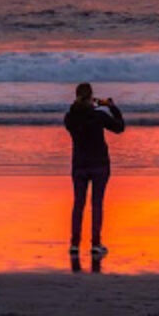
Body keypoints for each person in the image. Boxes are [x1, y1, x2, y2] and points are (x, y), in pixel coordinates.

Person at [63, 82, 125, 259]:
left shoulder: (70, 117)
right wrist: (112, 107)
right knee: (96, 204)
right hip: (99, 164)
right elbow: (120, 127)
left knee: (78, 203)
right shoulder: (98, 115)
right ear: (91, 97)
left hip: (79, 164)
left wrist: (89, 106)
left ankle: (75, 244)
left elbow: (77, 117)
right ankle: (96, 244)